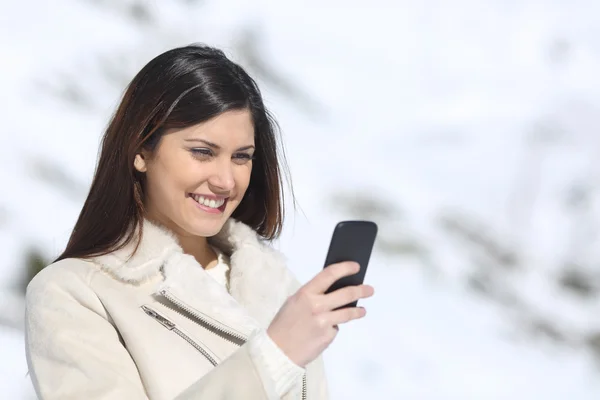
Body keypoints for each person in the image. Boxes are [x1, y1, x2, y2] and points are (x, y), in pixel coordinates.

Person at [24, 44, 374, 400]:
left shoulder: (276, 287)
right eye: (203, 152)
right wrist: (274, 357)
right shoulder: (74, 293)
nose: (225, 180)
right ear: (141, 151)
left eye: (241, 157)